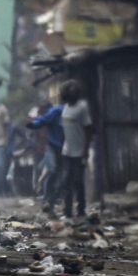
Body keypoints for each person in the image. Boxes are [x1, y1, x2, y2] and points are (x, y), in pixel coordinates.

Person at [46, 80, 93, 218]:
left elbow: (88, 130)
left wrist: (85, 151)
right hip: (67, 151)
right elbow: (64, 130)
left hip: (79, 151)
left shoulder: (82, 107)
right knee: (66, 181)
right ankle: (67, 211)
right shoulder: (65, 107)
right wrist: (61, 147)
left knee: (78, 181)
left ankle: (81, 209)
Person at [27, 102, 64, 210]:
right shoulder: (41, 120)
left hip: (59, 149)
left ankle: (51, 198)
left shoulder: (55, 117)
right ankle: (46, 198)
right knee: (49, 171)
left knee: (56, 174)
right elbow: (33, 132)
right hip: (46, 150)